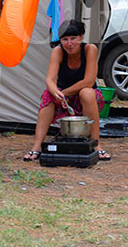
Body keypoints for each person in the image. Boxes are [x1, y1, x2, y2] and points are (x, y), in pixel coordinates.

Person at [24, 19, 111, 161]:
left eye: (73, 38)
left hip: (85, 97)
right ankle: (37, 145)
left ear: (81, 36)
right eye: (65, 39)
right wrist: (56, 92)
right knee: (48, 95)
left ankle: (96, 144)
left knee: (86, 92)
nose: (69, 44)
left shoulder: (90, 49)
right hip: (64, 97)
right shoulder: (58, 51)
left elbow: (88, 81)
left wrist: (63, 93)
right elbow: (50, 80)